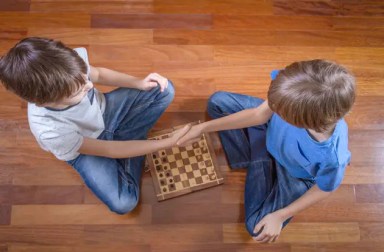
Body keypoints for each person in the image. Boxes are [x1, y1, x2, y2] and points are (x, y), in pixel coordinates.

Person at [0, 37, 190, 214]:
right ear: (45, 102)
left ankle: (131, 143)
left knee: (163, 89)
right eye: (79, 90)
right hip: (87, 147)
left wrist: (139, 83)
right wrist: (167, 143)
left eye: (84, 78)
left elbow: (98, 73)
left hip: (106, 111)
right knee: (124, 203)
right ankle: (133, 141)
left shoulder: (68, 65)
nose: (89, 86)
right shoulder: (49, 131)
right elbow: (108, 149)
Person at [177, 60, 356, 243]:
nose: (273, 108)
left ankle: (258, 152)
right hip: (273, 134)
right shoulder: (295, 86)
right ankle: (256, 154)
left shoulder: (332, 158)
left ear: (302, 122)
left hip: (294, 174)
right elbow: (259, 115)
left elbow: (324, 189)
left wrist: (280, 215)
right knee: (218, 102)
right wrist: (202, 128)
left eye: (280, 112)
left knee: (257, 228)